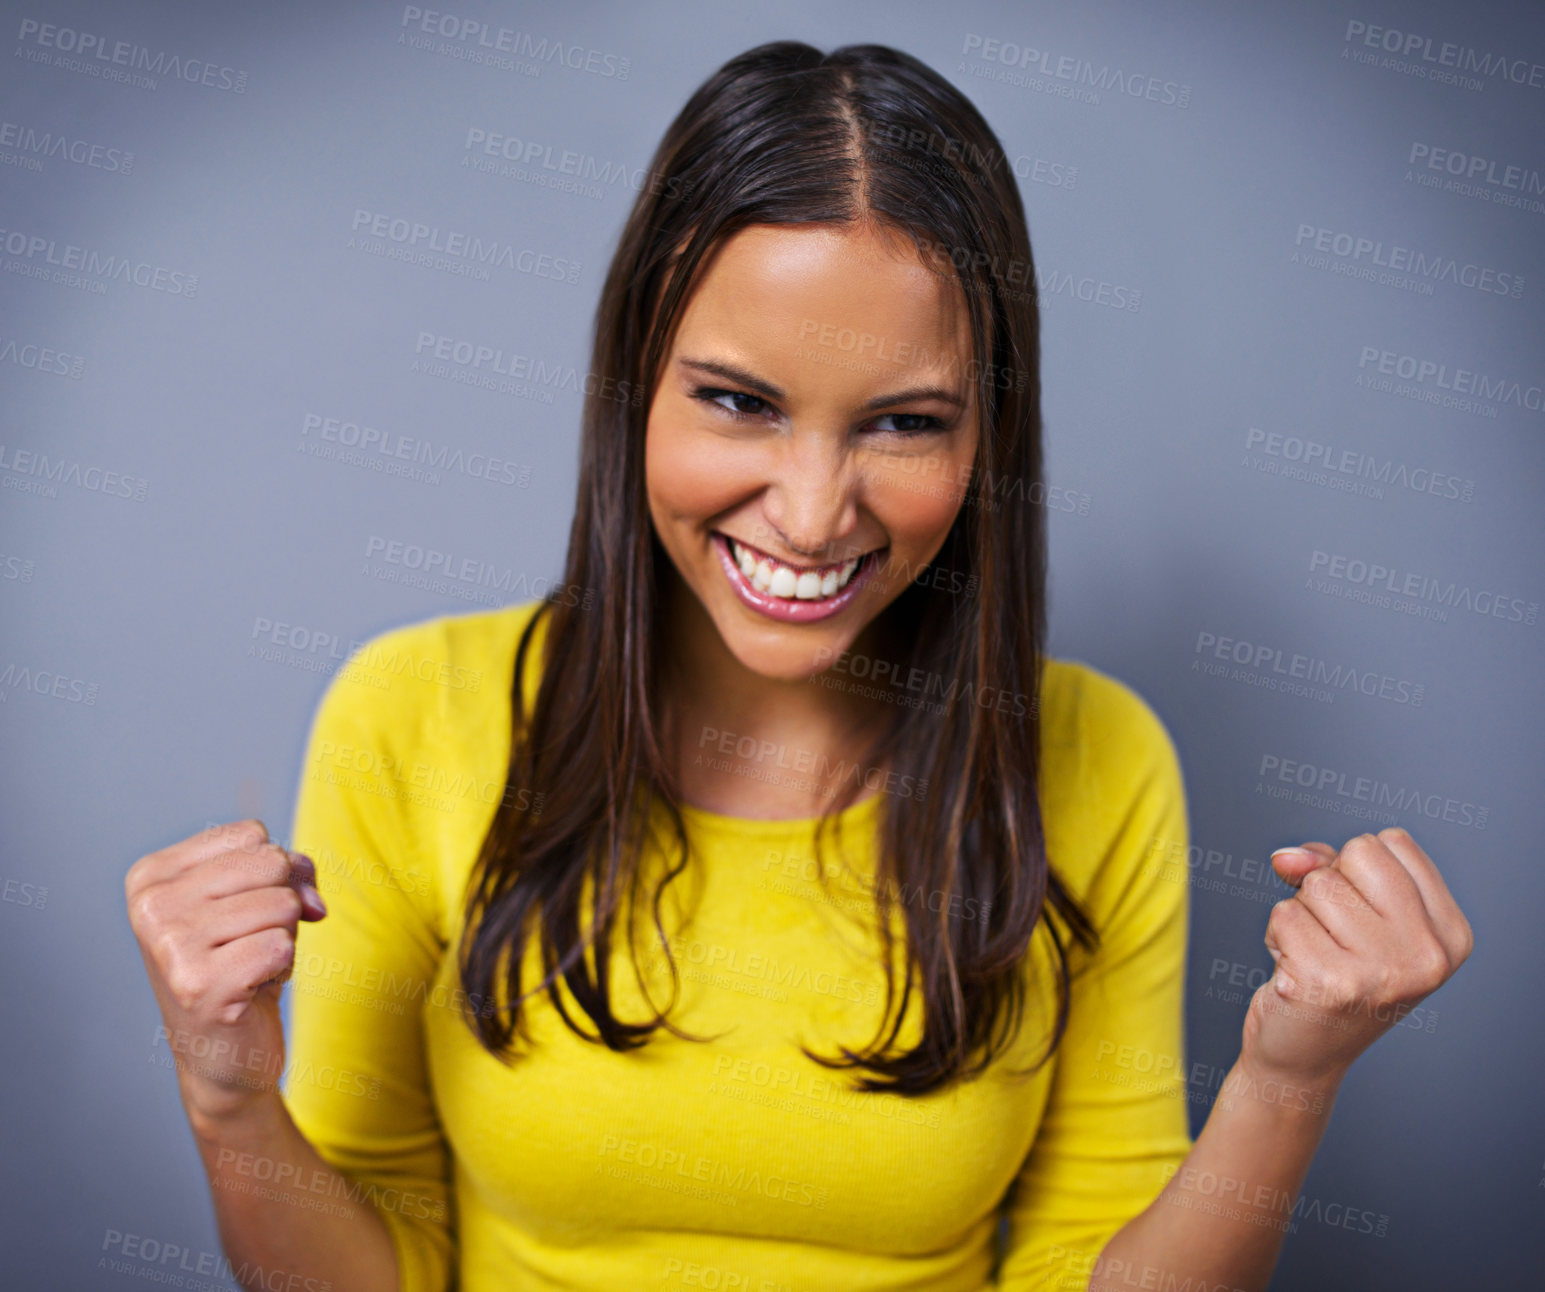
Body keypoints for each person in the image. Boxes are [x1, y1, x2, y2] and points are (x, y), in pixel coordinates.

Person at [126, 40, 1473, 1292]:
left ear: (982, 440)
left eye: (902, 422)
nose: (816, 512)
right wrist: (228, 1095)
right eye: (738, 402)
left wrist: (1289, 1073)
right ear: (631, 386)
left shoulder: (1099, 757)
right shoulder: (412, 712)